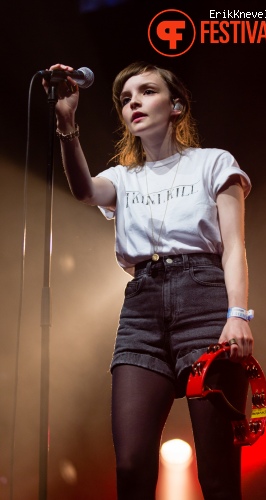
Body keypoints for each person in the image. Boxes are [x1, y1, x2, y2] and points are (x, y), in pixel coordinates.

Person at [43, 61, 254, 499]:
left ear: (176, 105)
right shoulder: (122, 178)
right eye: (125, 98)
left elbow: (234, 246)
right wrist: (67, 122)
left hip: (205, 303)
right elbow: (84, 191)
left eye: (146, 92)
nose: (133, 102)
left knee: (217, 475)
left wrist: (238, 314)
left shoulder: (213, 163)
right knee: (131, 464)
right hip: (141, 309)